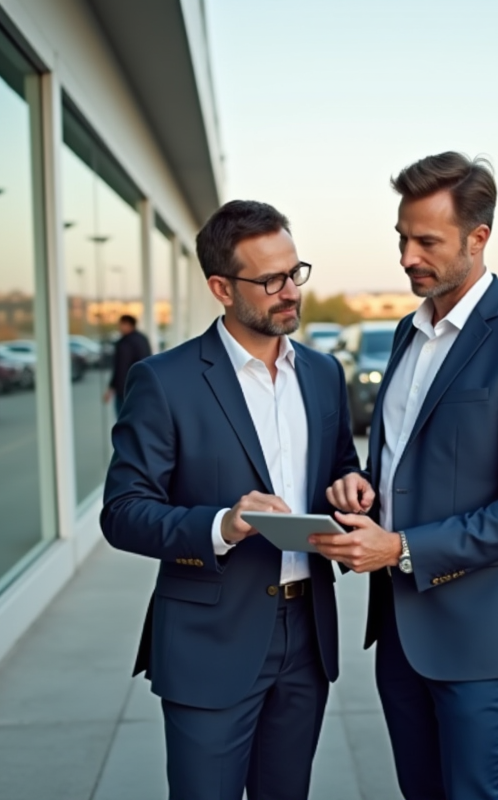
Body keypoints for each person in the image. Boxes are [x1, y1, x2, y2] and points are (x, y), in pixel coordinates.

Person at [312, 152, 498, 800]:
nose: (407, 255)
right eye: (402, 238)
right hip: (400, 627)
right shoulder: (408, 332)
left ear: (478, 238)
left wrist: (401, 548)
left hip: (480, 634)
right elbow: (405, 460)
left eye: (426, 240)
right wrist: (365, 488)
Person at [100, 200, 361, 800]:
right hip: (209, 641)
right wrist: (223, 523)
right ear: (221, 287)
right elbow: (122, 512)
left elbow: (339, 468)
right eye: (270, 280)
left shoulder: (323, 375)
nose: (289, 291)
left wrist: (352, 487)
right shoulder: (164, 381)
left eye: (295, 272)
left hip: (308, 634)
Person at [104, 313, 152, 415]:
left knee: (123, 420)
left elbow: (120, 367)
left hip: (125, 389)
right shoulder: (143, 339)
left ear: (128, 324)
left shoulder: (125, 343)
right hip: (139, 387)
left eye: (121, 324)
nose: (119, 327)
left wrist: (111, 388)